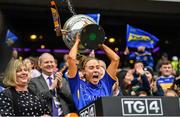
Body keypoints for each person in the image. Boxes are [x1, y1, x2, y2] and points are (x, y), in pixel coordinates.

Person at [67, 34, 120, 110]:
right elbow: (71, 59)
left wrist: (99, 43)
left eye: (98, 67)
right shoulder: (77, 84)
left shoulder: (106, 83)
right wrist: (77, 41)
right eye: (91, 68)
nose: (95, 70)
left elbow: (116, 59)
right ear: (83, 71)